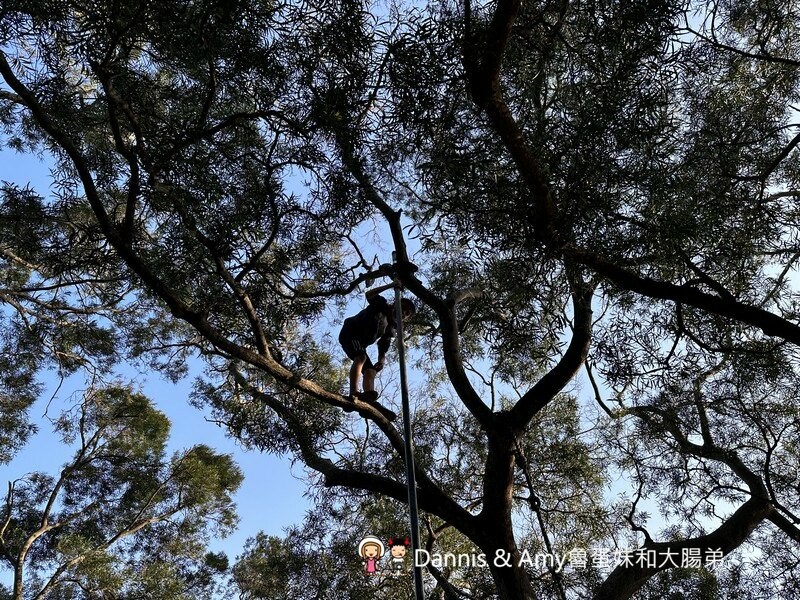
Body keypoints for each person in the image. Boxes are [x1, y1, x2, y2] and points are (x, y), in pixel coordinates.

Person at [339, 280, 415, 402]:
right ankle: (353, 393)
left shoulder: (390, 329)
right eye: (403, 309)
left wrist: (381, 361)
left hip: (360, 344)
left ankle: (368, 397)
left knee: (370, 370)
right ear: (396, 303)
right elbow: (369, 294)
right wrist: (391, 285)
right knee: (361, 357)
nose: (403, 314)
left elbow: (383, 348)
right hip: (351, 332)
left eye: (406, 314)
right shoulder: (382, 304)